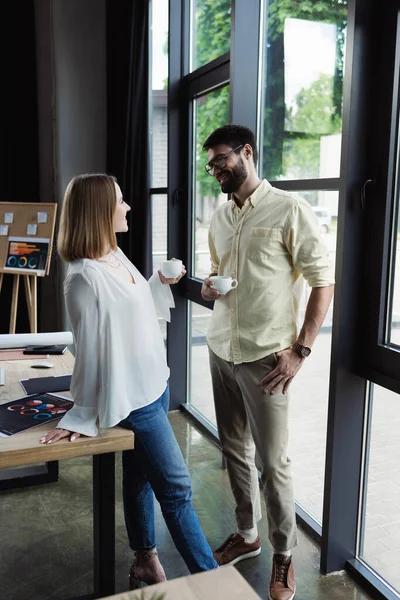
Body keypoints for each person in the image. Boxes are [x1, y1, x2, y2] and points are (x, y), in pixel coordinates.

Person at [40, 173, 218, 589]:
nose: (128, 207)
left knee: (140, 479)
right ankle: (213, 586)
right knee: (177, 489)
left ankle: (145, 561)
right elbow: (91, 352)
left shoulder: (114, 254)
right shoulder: (82, 277)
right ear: (100, 211)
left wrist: (158, 282)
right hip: (135, 400)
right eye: (120, 201)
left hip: (156, 383)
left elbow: (131, 310)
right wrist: (81, 414)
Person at [201, 125, 334, 600]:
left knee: (273, 462)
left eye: (221, 161)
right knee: (233, 449)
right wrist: (207, 285)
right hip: (221, 348)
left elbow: (322, 280)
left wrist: (300, 350)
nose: (216, 170)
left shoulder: (289, 209)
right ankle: (248, 534)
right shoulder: (219, 217)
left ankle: (283, 555)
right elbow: (216, 274)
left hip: (267, 358)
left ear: (247, 153)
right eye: (211, 165)